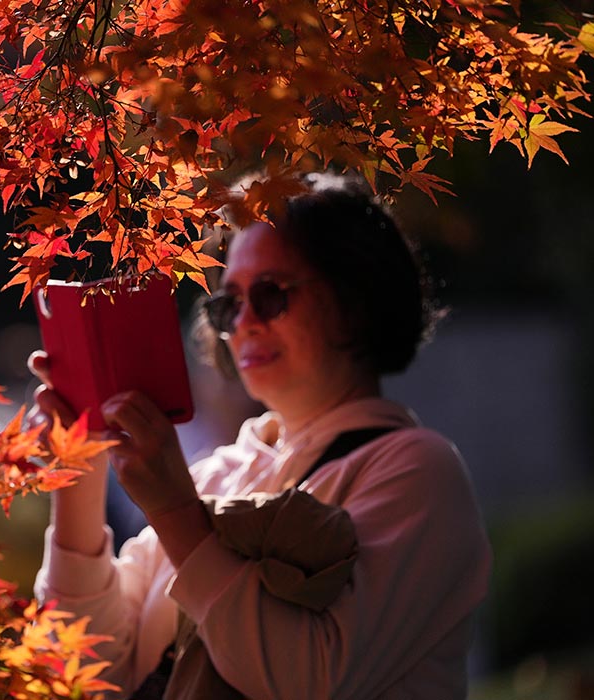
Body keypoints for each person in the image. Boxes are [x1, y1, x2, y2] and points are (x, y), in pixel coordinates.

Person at [28, 172, 492, 699]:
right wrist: (77, 478)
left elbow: (308, 680)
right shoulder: (216, 476)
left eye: (270, 295)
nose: (244, 322)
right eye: (229, 304)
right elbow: (81, 672)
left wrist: (176, 513)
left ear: (355, 299)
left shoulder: (418, 470)